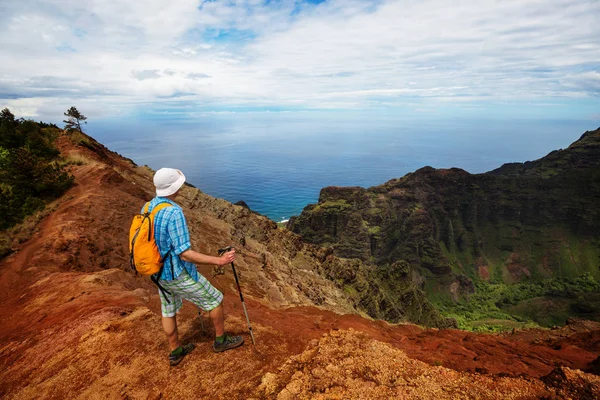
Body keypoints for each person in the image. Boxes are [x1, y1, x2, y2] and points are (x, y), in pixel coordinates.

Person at [148, 167, 244, 366]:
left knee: (168, 310)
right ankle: (221, 341)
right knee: (215, 299)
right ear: (174, 187)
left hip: (158, 272)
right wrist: (219, 260)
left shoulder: (148, 207)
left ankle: (175, 351)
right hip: (177, 272)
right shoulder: (174, 212)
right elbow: (184, 253)